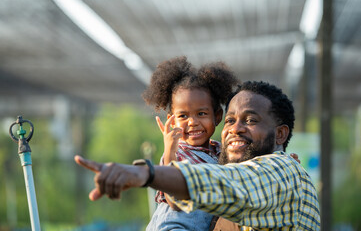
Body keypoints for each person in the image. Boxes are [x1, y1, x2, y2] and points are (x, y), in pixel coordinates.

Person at [75, 81, 320, 230]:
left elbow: (229, 183)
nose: (235, 129)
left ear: (280, 135)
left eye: (251, 120)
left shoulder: (283, 170)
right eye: (231, 120)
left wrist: (146, 173)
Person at [142, 56, 238, 230]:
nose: (192, 122)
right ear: (172, 120)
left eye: (201, 114)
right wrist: (170, 149)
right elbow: (174, 201)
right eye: (183, 116)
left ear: (217, 116)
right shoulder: (177, 154)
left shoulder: (219, 152)